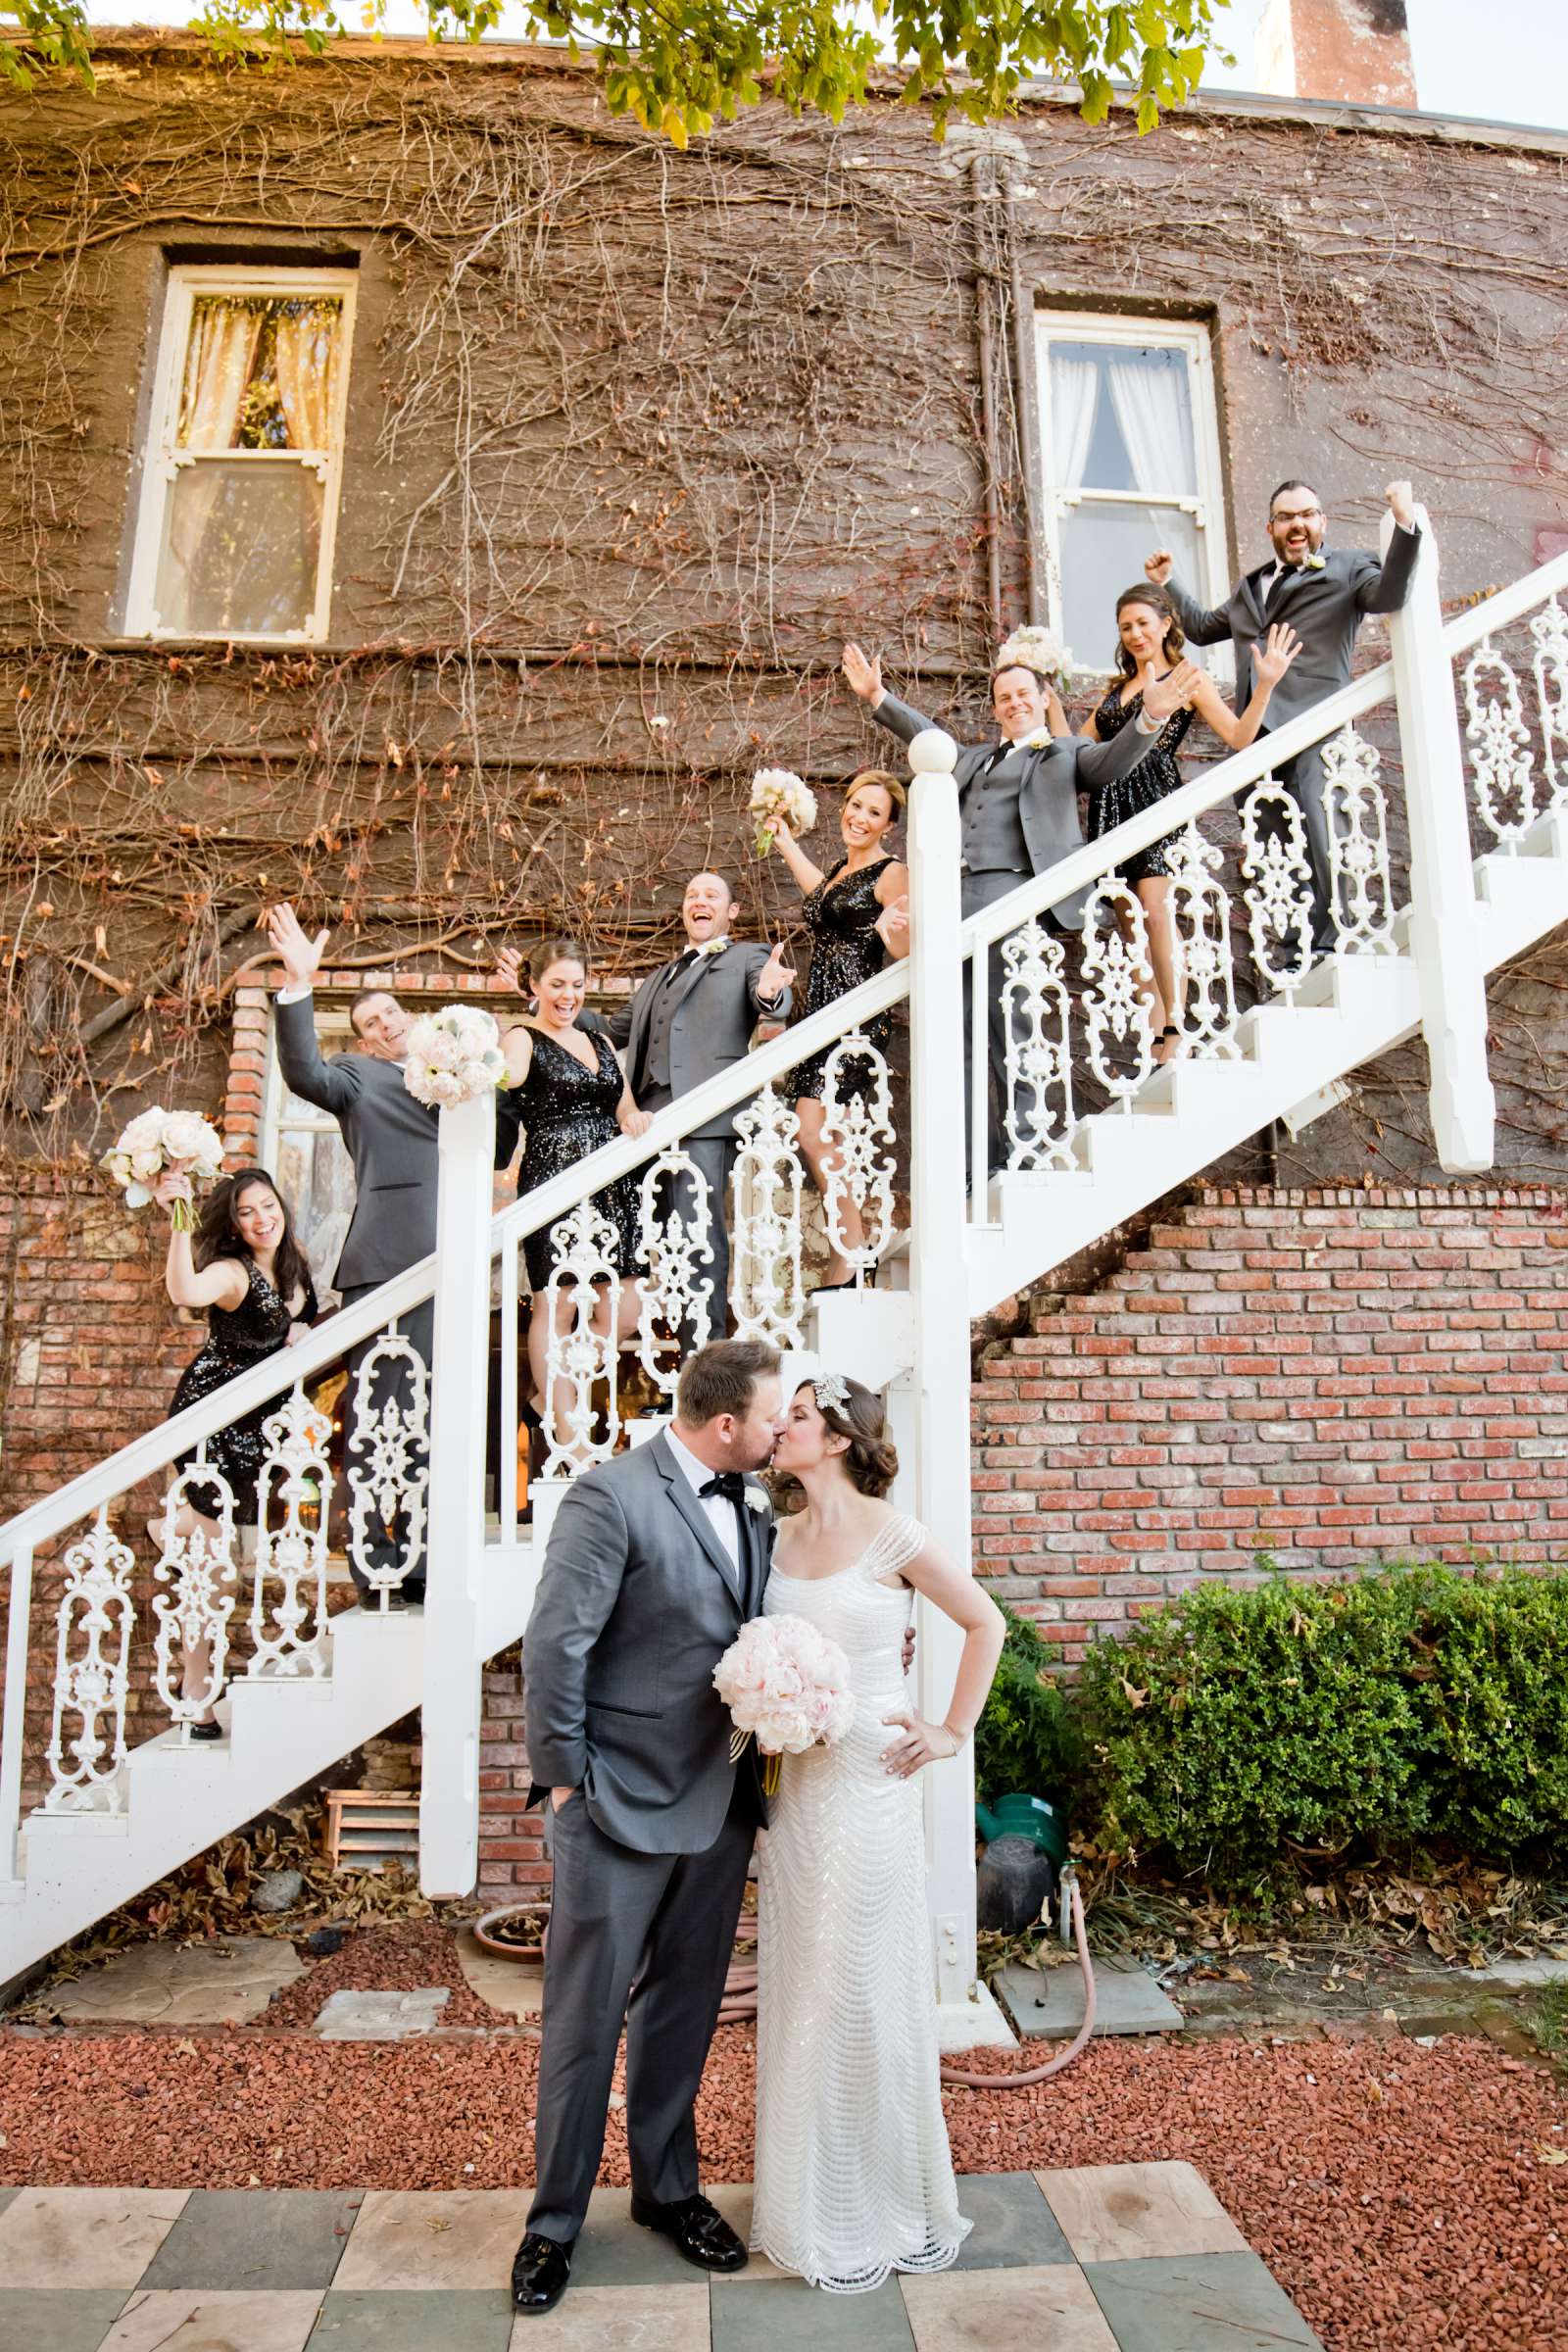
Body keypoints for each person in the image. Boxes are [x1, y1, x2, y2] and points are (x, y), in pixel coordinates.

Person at [512, 1338, 788, 2319]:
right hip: (614, 1805)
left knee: (683, 2011)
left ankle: (668, 2188)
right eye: (772, 1416)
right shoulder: (609, 1497)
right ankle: (552, 2226)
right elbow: (555, 1643)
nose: (781, 1428)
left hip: (719, 1804)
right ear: (726, 1425)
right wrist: (563, 1785)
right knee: (582, 2023)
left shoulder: (756, 1508)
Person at [752, 1373, 1004, 2291]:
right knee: (801, 1980)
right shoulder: (772, 1538)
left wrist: (947, 1732)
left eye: (801, 1419)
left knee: (862, 1983)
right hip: (796, 1788)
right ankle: (803, 2197)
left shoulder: (895, 1535)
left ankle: (884, 2199)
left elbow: (985, 1622)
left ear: (844, 1439)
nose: (783, 1428)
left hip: (872, 1782)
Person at [842, 639, 1198, 1174]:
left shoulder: (1066, 752)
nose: (1013, 703)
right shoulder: (973, 758)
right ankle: (971, 1166)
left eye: (1023, 694)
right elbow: (927, 739)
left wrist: (1150, 715)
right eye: (1003, 697)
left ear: (1042, 697)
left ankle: (1024, 1150)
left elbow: (1112, 765)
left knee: (1012, 1029)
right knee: (955, 1033)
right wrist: (877, 697)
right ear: (995, 708)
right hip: (954, 907)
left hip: (1017, 905)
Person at [264, 903, 520, 1604]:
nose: (383, 1027)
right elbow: (304, 1072)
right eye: (369, 1025)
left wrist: (492, 1083)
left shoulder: (465, 1067)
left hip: (462, 1265)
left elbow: (498, 1152)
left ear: (410, 1017)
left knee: (448, 1417)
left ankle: (433, 1560)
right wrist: (298, 984)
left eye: (389, 1015)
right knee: (382, 1417)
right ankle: (379, 1561)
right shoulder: (357, 1079)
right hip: (387, 1264)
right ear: (366, 1042)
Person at [503, 875, 794, 1340]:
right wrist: (543, 995)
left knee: (699, 1238)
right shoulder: (660, 975)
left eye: (711, 896)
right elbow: (604, 1029)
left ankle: (706, 1355)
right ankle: (682, 1362)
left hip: (700, 1121)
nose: (698, 901)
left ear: (731, 912)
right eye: (691, 894)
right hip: (642, 1130)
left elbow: (771, 998)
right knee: (663, 1247)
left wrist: (770, 993)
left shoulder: (747, 957)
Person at [1147, 477, 1422, 953]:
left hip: (1315, 723)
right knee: (1271, 846)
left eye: (1307, 515)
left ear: (1322, 522)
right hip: (1255, 736)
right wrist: (1169, 582)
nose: (1298, 525)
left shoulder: (1349, 568)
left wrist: (1404, 523)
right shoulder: (1250, 586)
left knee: (1319, 829)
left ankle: (1332, 939)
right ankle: (1295, 945)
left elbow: (1390, 595)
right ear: (1271, 527)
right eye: (1287, 517)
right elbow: (1201, 627)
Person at [1082, 587, 1300, 1059]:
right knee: (1130, 921)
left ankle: (1176, 1025)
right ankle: (1156, 1031)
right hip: (1109, 802)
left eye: (1143, 623)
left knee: (1155, 911)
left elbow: (1240, 736)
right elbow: (1076, 748)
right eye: (1126, 627)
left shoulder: (1188, 678)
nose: (1136, 634)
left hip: (1154, 797)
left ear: (1165, 624)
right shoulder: (1114, 690)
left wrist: (1265, 684)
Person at [149, 1165, 318, 1735]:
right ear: (234, 1224)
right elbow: (183, 1291)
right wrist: (178, 1222)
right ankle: (196, 1696)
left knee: (217, 1562)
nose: (260, 1219)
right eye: (246, 1213)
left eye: (267, 1205)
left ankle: (173, 1523)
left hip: (259, 1432)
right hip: (213, 1423)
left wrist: (304, 1333)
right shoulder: (231, 1272)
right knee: (213, 1572)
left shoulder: (293, 1264)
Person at [501, 938, 651, 1460]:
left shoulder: (601, 1042)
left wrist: (634, 1120)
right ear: (535, 986)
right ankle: (569, 1434)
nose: (568, 995)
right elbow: (506, 1079)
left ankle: (546, 1397)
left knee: (624, 1308)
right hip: (555, 1179)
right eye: (557, 984)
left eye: (577, 985)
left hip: (615, 1184)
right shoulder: (521, 1036)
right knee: (559, 1305)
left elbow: (623, 1106)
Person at [761, 769, 908, 1289]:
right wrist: (785, 843)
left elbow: (909, 947)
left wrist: (893, 935)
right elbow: (823, 896)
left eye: (874, 812)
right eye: (855, 804)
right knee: (826, 1135)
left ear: (888, 826)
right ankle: (854, 1248)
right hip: (817, 1017)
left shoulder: (893, 873)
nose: (860, 817)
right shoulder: (842, 871)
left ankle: (853, 1249)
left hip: (854, 1017)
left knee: (817, 1131)